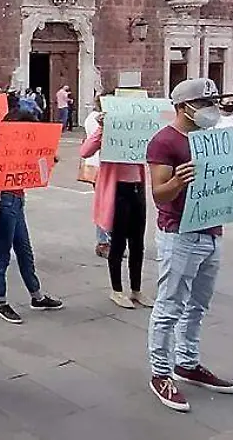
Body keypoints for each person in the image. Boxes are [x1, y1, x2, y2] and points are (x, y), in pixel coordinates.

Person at [146, 78, 233, 413]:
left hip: (212, 230)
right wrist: (177, 180)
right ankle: (160, 373)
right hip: (179, 232)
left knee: (198, 305)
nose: (211, 109)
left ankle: (188, 361)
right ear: (184, 107)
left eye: (213, 103)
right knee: (169, 305)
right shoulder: (164, 142)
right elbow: (159, 194)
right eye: (204, 103)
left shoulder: (212, 138)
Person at [0, 107, 64, 324]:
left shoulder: (21, 147)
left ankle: (36, 296)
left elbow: (39, 171)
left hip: (17, 200)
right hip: (3, 201)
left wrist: (48, 159)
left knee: (25, 251)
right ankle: (0, 302)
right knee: (3, 254)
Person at [81, 110, 150, 309]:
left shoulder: (138, 133)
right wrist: (102, 129)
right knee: (118, 243)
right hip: (117, 189)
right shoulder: (106, 134)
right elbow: (85, 151)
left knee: (138, 243)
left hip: (137, 188)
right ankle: (117, 290)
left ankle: (136, 289)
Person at [83, 97, 111, 257]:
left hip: (109, 167)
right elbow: (91, 144)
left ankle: (112, 240)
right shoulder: (94, 120)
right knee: (104, 206)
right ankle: (103, 242)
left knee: (115, 208)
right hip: (98, 166)